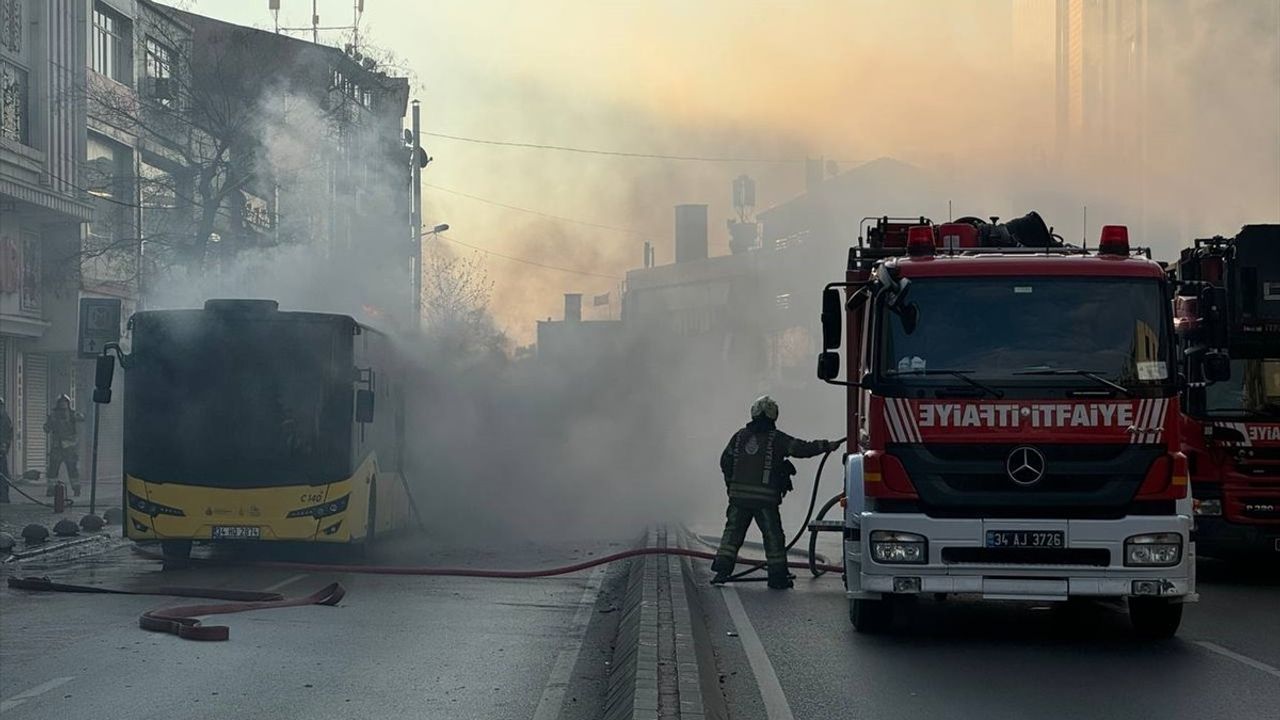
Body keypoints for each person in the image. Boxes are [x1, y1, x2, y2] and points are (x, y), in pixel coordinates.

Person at [712, 396, 838, 589]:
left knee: (732, 535)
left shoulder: (739, 437)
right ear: (773, 416)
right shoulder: (777, 439)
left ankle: (722, 570)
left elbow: (725, 461)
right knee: (773, 537)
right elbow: (802, 448)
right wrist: (826, 445)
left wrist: (731, 485)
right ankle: (777, 577)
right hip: (765, 501)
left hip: (739, 498)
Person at [44, 394, 84, 496]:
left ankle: (76, 488)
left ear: (68, 404)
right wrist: (49, 424)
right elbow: (46, 428)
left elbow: (82, 419)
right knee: (53, 470)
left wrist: (80, 416)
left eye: (65, 402)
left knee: (72, 469)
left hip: (70, 447)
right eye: (61, 402)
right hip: (57, 447)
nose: (63, 404)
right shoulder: (53, 415)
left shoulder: (72, 414)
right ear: (58, 404)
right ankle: (51, 489)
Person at [0, 397, 12, 503]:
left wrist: (4, 446)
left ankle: (4, 497)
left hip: (0, 451)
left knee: (2, 474)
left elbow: (7, 434)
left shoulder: (4, 419)